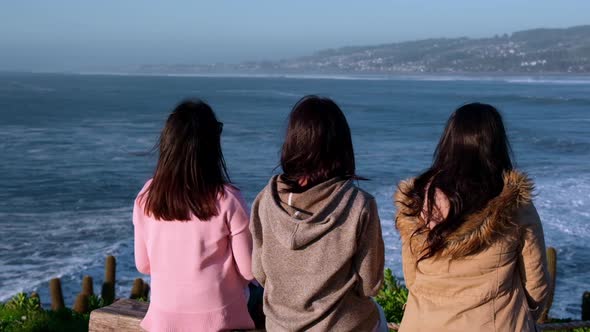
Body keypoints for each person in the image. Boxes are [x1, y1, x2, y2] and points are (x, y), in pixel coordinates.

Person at [394, 103, 550, 331]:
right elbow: (536, 284)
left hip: (424, 323)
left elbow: (412, 278)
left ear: (448, 141)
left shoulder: (419, 201)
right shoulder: (515, 205)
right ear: (496, 144)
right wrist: (523, 315)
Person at [250, 95, 387, 331]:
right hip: (342, 326)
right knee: (379, 317)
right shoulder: (359, 205)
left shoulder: (265, 199)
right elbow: (370, 285)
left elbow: (259, 273)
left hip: (279, 325)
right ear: (342, 145)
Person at [133, 100, 255, 332]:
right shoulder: (228, 198)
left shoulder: (147, 196)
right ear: (210, 146)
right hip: (221, 315)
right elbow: (248, 271)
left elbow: (143, 265)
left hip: (164, 317)